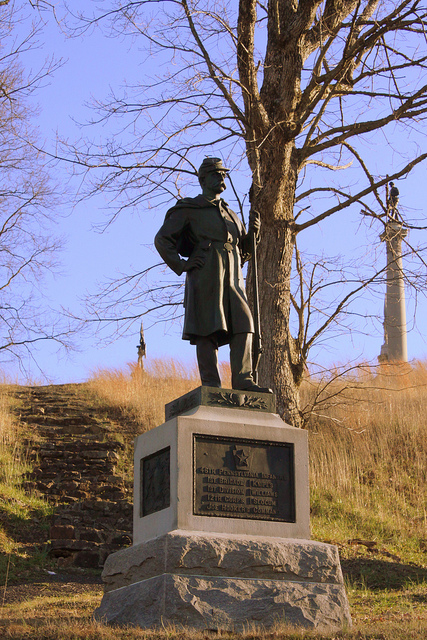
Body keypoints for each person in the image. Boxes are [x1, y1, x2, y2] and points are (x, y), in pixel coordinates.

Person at [155, 157, 271, 392]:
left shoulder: (230, 214)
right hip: (206, 274)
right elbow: (162, 239)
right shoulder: (189, 208)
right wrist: (182, 264)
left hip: (233, 277)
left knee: (244, 323)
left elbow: (243, 253)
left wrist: (252, 237)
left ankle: (242, 379)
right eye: (217, 174)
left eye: (224, 175)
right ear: (203, 179)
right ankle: (211, 383)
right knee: (207, 328)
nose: (222, 178)